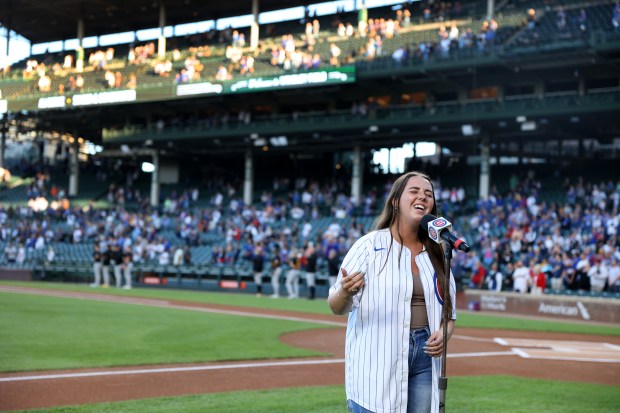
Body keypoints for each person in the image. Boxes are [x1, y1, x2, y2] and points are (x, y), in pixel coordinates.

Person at [327, 171, 457, 413]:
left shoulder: (440, 253)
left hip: (426, 357)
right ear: (395, 201)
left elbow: (449, 316)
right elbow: (336, 306)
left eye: (428, 194)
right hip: (378, 356)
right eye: (415, 191)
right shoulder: (368, 246)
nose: (423, 197)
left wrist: (444, 334)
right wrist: (344, 292)